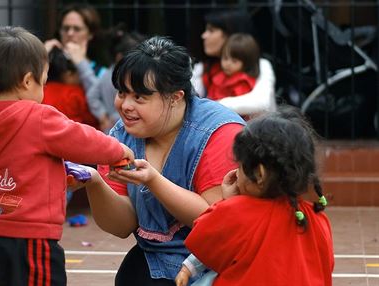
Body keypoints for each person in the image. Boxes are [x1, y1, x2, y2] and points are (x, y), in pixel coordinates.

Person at [0, 26, 134, 286]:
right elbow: (83, 140)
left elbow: (22, 157)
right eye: (43, 80)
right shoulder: (38, 116)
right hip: (30, 238)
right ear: (26, 81)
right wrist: (118, 149)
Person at [79, 36, 245, 285]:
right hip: (154, 257)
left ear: (175, 97)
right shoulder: (119, 136)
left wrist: (154, 181)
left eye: (139, 97)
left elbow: (216, 221)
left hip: (216, 259)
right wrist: (93, 182)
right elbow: (122, 226)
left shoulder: (219, 132)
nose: (125, 105)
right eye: (122, 93)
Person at [175, 106, 334, 286]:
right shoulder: (316, 217)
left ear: (259, 174)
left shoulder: (238, 211)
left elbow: (204, 242)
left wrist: (227, 203)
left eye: (241, 165)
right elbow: (325, 268)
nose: (236, 172)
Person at [192, 9, 277, 117]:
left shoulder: (261, 64)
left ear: (230, 34)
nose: (204, 35)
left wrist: (211, 106)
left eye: (211, 30)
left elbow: (261, 102)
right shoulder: (203, 67)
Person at [86, 26, 146, 132]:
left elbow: (92, 95)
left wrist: (102, 115)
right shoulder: (120, 77)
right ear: (119, 57)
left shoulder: (106, 74)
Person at [44, 3, 106, 92]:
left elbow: (99, 100)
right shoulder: (48, 63)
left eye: (77, 29)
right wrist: (40, 57)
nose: (70, 33)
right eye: (66, 28)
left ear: (90, 34)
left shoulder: (102, 73)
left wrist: (81, 64)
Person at [43, 46, 99, 129]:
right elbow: (93, 119)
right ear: (68, 74)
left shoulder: (42, 91)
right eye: (79, 72)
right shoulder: (74, 93)